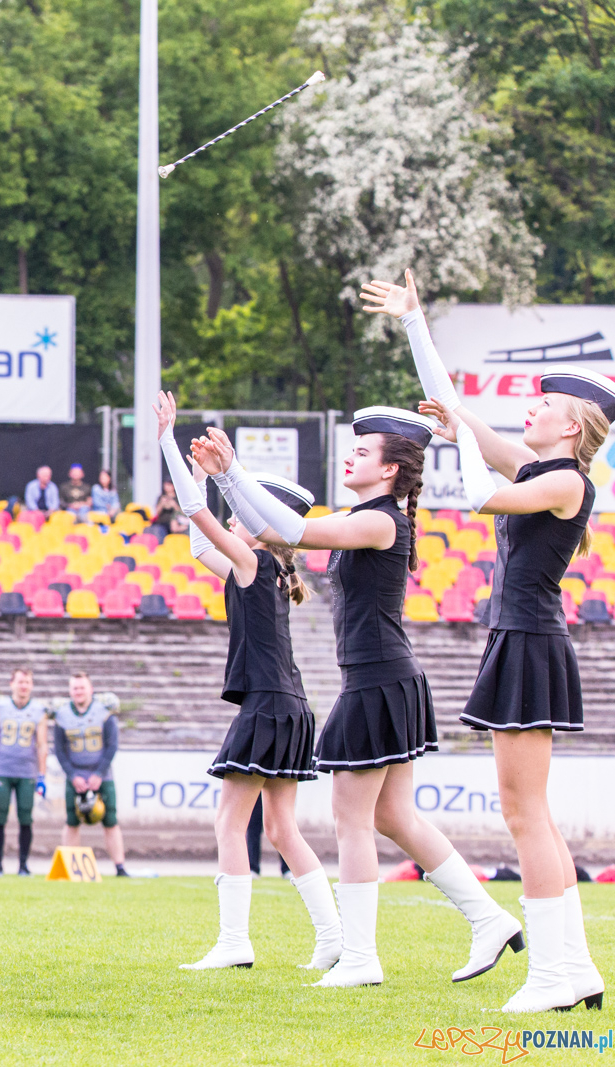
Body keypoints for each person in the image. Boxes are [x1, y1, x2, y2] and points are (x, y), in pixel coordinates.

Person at [203, 408, 519, 991]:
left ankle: (361, 957)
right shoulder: (365, 517)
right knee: (393, 817)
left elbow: (293, 531)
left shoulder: (381, 522)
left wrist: (232, 473)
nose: (350, 458)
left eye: (363, 452)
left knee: (352, 820)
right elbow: (269, 530)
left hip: (379, 680)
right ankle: (489, 918)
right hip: (382, 678)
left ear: (392, 470)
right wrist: (226, 480)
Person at [368, 269, 613, 1012]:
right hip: (523, 637)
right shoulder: (542, 466)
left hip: (532, 640)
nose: (529, 410)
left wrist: (463, 439)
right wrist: (415, 324)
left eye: (542, 405)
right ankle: (574, 969)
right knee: (527, 811)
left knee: (524, 814)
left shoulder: (566, 481)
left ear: (570, 424)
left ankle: (551, 976)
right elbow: (456, 408)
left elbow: (476, 492)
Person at [160, 392, 340, 972]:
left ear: (262, 526)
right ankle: (333, 939)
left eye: (244, 513)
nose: (236, 516)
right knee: (284, 829)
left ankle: (236, 943)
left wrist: (168, 441)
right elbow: (195, 543)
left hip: (268, 704)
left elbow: (194, 516)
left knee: (230, 821)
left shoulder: (254, 562)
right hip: (289, 703)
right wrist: (195, 464)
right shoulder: (261, 566)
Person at [48, 671, 127, 876]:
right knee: (72, 821)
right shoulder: (62, 714)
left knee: (110, 820)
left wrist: (99, 773)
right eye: (75, 688)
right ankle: (71, 868)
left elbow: (112, 745)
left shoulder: (104, 710)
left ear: (91, 689)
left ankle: (120, 867)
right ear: (70, 691)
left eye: (82, 687)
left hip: (102, 775)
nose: (79, 692)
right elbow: (59, 750)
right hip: (75, 777)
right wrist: (73, 775)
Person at [0, 667, 48, 877]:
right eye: (20, 682)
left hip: (27, 772)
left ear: (32, 685)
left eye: (27, 682)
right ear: (12, 684)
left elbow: (42, 745)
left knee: (26, 818)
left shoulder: (39, 710)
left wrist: (42, 775)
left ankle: (23, 866)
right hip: (3, 771)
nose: (23, 686)